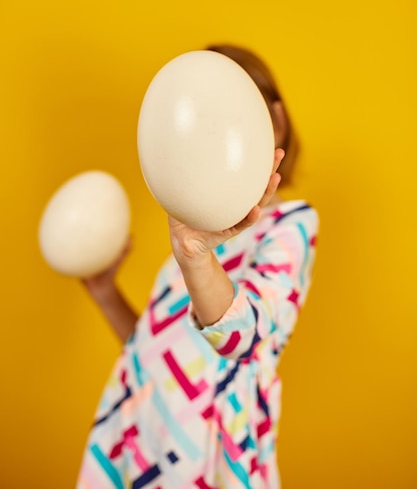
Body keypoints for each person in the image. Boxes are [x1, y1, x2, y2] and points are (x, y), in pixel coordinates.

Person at [76, 44, 319, 489]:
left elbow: (242, 341)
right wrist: (107, 295)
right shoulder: (191, 236)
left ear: (276, 124)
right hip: (135, 435)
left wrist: (197, 259)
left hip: (207, 452)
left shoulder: (290, 226)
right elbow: (159, 349)